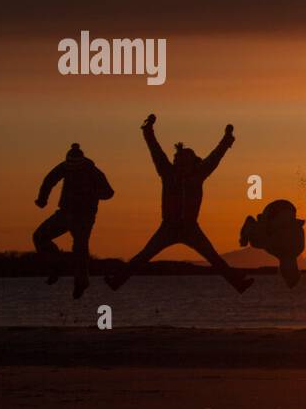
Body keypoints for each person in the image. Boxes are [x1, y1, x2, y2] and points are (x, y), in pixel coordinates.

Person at [106, 114, 253, 293]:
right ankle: (116, 281)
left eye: (185, 160)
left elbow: (215, 156)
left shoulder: (198, 175)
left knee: (213, 258)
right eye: (179, 160)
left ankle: (238, 283)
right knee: (144, 256)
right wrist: (148, 130)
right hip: (168, 226)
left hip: (190, 227)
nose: (180, 162)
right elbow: (156, 151)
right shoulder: (168, 173)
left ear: (192, 162)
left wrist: (227, 138)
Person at [33, 143, 114, 298]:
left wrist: (91, 193)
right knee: (39, 236)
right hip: (65, 213)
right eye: (70, 168)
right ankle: (56, 266)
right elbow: (49, 180)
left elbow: (109, 192)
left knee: (80, 247)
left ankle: (81, 283)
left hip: (84, 216)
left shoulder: (93, 172)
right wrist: (42, 199)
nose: (72, 171)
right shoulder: (64, 167)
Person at [240, 199, 306, 288]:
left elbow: (300, 228)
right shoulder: (277, 249)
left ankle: (255, 225)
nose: (282, 268)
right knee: (257, 242)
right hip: (275, 211)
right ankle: (252, 225)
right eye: (284, 271)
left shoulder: (299, 248)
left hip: (288, 208)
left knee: (259, 241)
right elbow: (297, 228)